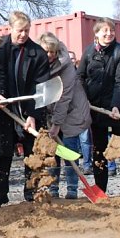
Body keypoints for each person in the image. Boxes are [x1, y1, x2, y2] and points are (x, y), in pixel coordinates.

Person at [0, 11, 50, 207]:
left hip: (29, 111)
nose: (23, 34)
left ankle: (31, 191)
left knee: (32, 154)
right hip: (5, 111)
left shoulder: (37, 53)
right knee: (3, 153)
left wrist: (32, 114)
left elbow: (40, 87)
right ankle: (0, 195)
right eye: (19, 30)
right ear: (10, 28)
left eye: (26, 30)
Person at [78, 18, 120, 197]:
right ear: (97, 33)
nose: (109, 34)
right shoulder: (89, 52)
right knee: (99, 151)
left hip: (119, 109)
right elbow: (80, 77)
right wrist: (84, 99)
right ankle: (100, 191)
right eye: (105, 31)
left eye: (111, 31)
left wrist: (116, 105)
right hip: (96, 109)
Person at [39, 32, 92, 199]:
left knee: (69, 151)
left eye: (52, 52)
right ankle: (53, 189)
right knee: (53, 152)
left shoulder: (66, 66)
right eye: (46, 52)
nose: (50, 55)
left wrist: (56, 124)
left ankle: (72, 189)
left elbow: (64, 97)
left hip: (71, 112)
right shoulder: (38, 64)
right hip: (51, 113)